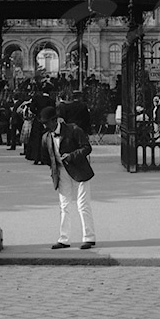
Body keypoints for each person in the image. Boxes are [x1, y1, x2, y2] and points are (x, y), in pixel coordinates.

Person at [41, 105, 96, 250]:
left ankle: (89, 237)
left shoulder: (73, 129)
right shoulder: (46, 137)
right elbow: (47, 157)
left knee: (82, 205)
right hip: (62, 172)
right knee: (64, 206)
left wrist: (71, 156)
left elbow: (87, 147)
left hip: (80, 171)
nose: (45, 126)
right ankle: (64, 239)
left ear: (55, 120)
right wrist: (54, 170)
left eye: (47, 123)